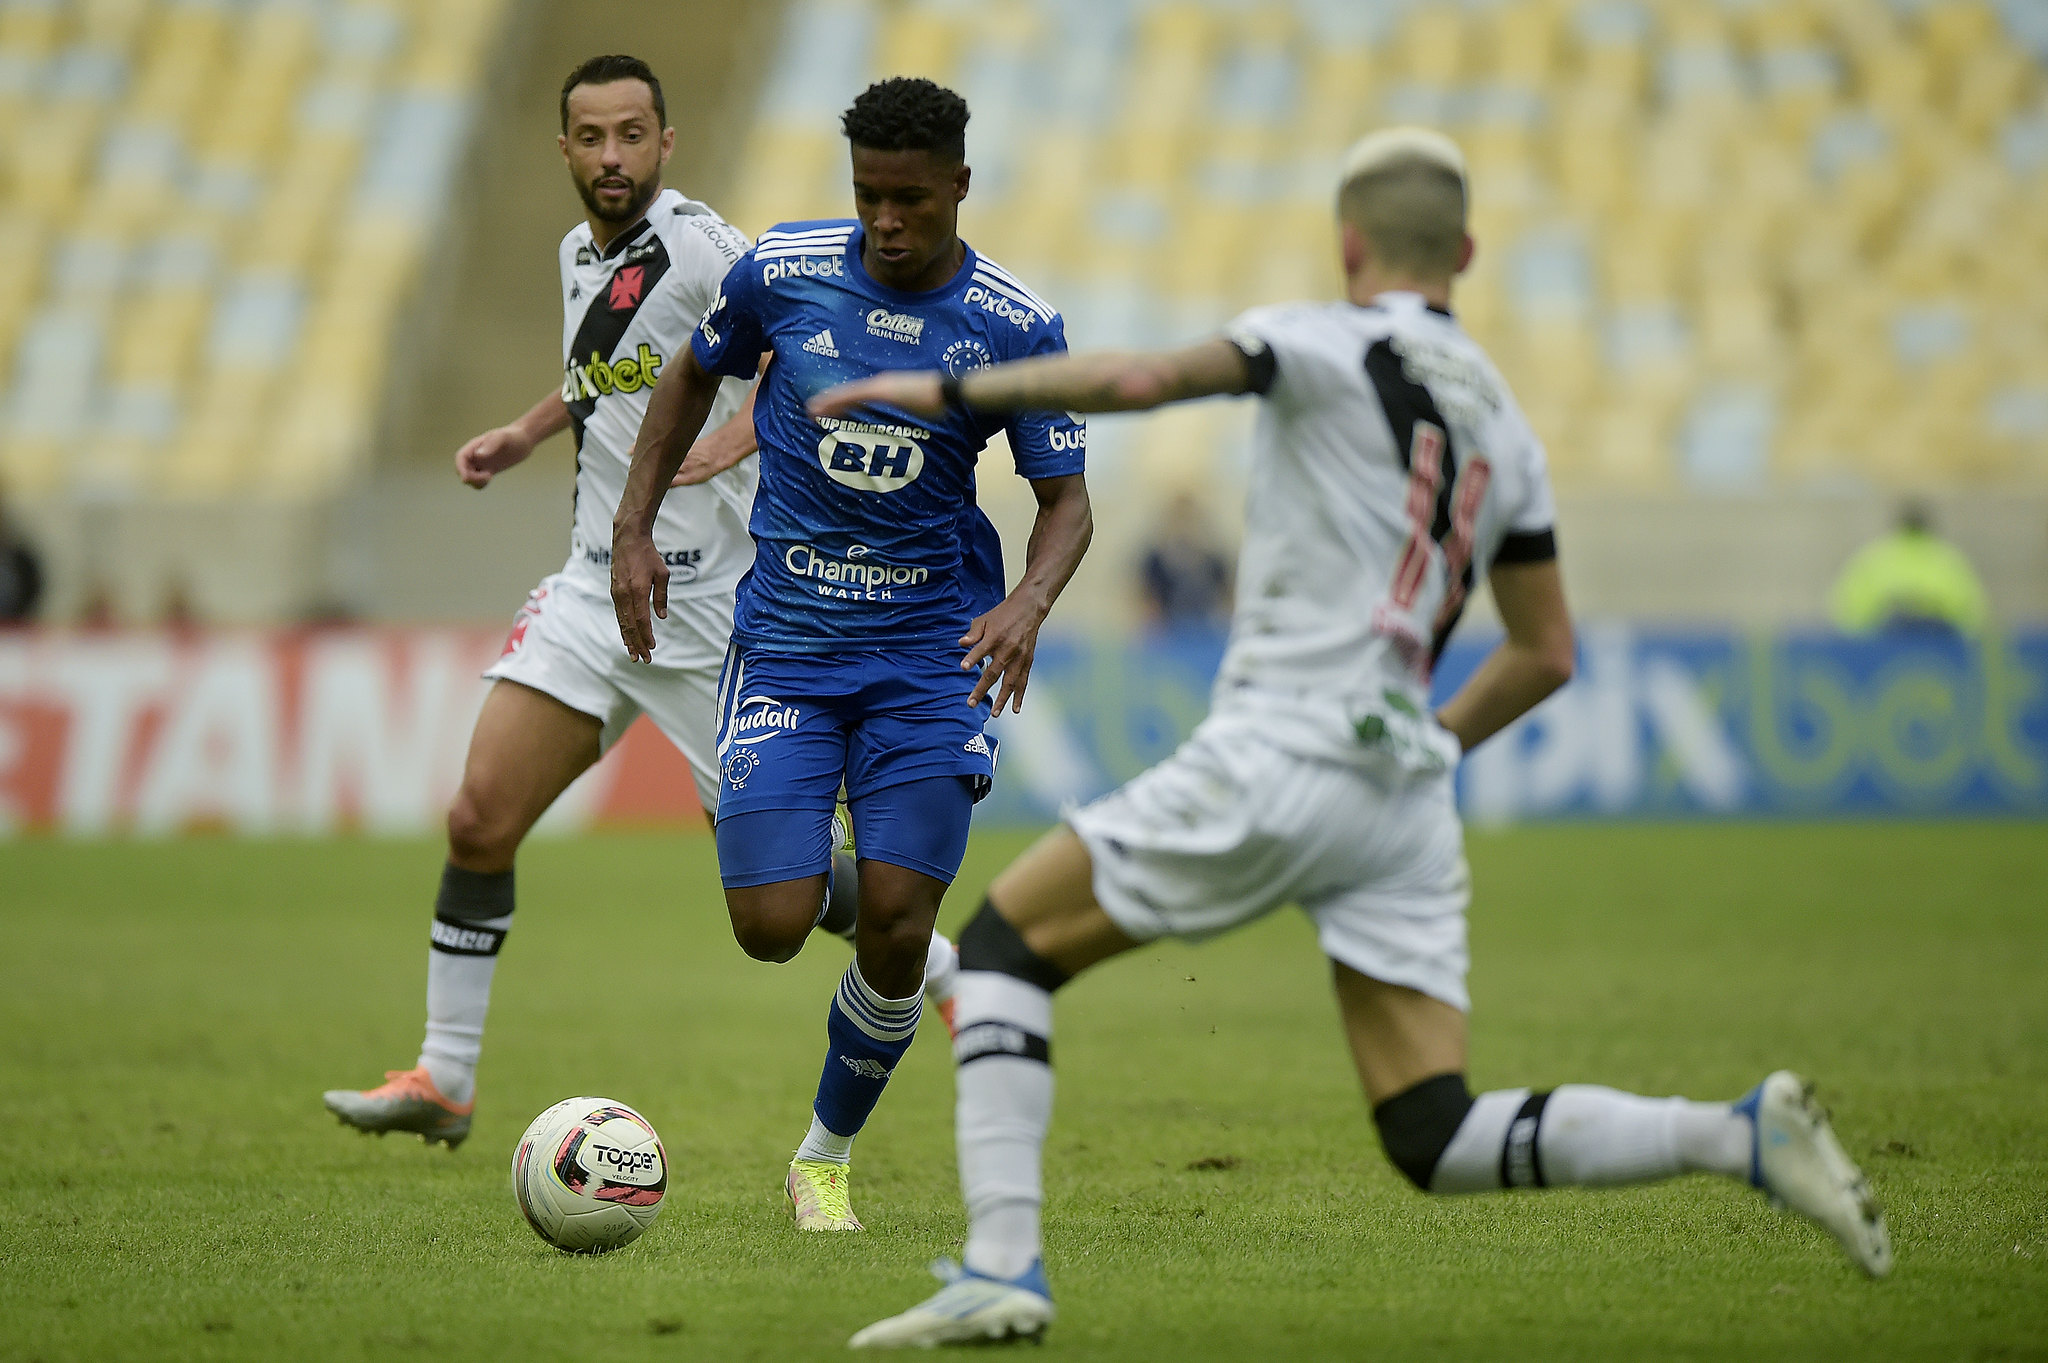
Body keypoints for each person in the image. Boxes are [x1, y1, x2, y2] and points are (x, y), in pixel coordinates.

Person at [811, 127, 1891, 1348]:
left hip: (1283, 745)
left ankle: (1003, 1265)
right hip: (1400, 789)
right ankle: (1733, 1131)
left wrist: (940, 391)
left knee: (1003, 952)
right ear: (1467, 253)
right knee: (1431, 1129)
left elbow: (1138, 383)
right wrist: (1427, 741)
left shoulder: (1315, 336)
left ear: (1346, 244)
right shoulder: (1506, 427)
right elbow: (1543, 652)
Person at [321, 56, 958, 1150]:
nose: (610, 157)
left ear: (666, 145)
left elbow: (810, 353)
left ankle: (944, 965)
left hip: (713, 613)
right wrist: (529, 432)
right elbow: (609, 369)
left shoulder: (706, 248)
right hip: (590, 589)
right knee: (479, 817)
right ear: (561, 149)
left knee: (787, 895)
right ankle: (447, 1075)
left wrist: (734, 437)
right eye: (590, 137)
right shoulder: (578, 250)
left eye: (630, 136)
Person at [609, 77, 1093, 1232]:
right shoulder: (783, 272)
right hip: (783, 643)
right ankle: (837, 841)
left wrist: (1026, 603)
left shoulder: (1014, 324)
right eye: (870, 195)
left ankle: (821, 1156)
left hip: (931, 655)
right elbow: (689, 374)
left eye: (911, 199)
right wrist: (632, 529)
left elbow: (1066, 503)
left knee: (895, 924)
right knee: (769, 925)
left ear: (959, 187)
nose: (886, 219)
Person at [1829, 498, 1989, 636]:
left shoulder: (1873, 559)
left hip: (1883, 651)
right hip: (1940, 652)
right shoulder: (1949, 560)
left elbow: (1847, 613)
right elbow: (1973, 614)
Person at [1138, 491, 1233, 629]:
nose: (1184, 525)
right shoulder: (1155, 563)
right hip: (1169, 635)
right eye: (1179, 519)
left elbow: (1227, 603)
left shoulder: (1214, 563)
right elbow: (1148, 606)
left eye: (1189, 518)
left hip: (1206, 634)